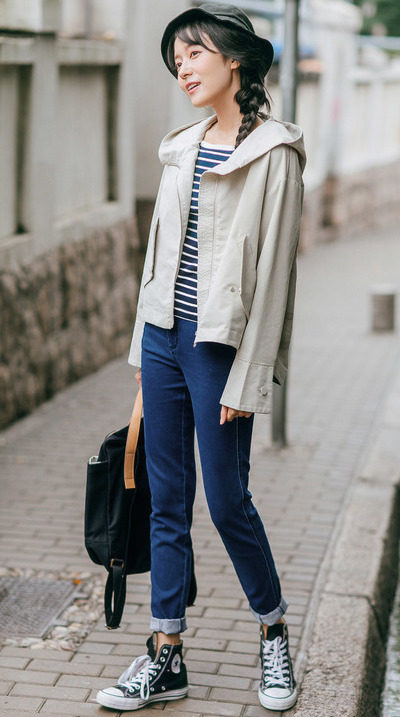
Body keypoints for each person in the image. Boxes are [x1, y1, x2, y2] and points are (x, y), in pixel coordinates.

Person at [96, 2, 306, 712]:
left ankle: (273, 630)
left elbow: (274, 279)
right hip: (163, 341)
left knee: (227, 501)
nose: (183, 68)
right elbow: (158, 258)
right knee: (165, 500)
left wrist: (250, 377)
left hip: (220, 351)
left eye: (194, 53)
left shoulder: (274, 154)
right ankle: (167, 653)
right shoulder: (182, 146)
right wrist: (142, 352)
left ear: (234, 59)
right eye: (177, 59)